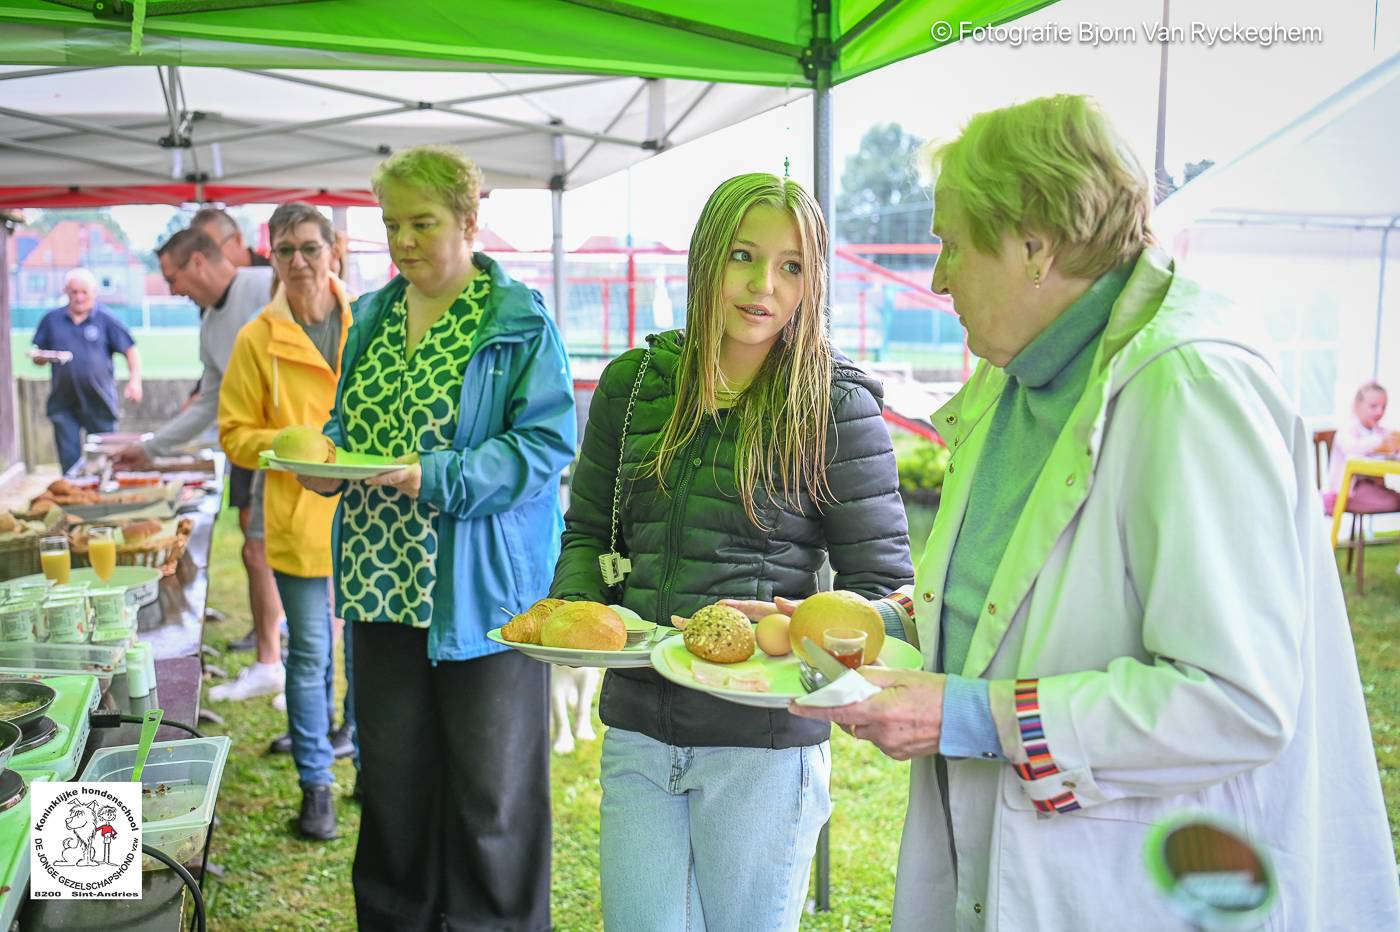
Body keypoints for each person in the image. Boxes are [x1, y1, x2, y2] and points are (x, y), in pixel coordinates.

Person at [776, 95, 1400, 929]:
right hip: (1016, 857)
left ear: (1036, 246)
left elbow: (1236, 699)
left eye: (953, 245)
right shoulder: (1022, 371)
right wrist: (854, 622)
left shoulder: (1193, 384)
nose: (939, 277)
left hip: (1139, 881)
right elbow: (1017, 600)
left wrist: (970, 715)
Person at [549, 172, 914, 930]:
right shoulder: (634, 384)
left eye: (791, 267)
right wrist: (582, 614)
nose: (763, 286)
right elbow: (588, 532)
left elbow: (883, 593)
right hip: (641, 731)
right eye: (743, 256)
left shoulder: (837, 406)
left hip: (764, 750)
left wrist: (795, 632)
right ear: (705, 258)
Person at [297, 145, 575, 930]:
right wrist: (324, 461)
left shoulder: (517, 320)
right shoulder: (376, 316)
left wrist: (443, 475)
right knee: (392, 784)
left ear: (469, 220)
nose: (404, 240)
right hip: (381, 585)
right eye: (392, 225)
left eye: (423, 222)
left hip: (484, 594)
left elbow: (545, 446)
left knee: (492, 796)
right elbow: (348, 427)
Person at [219, 201, 356, 840]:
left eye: (309, 247)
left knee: (368, 652)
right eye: (284, 250)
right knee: (309, 657)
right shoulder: (256, 338)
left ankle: (362, 755)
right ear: (269, 259)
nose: (298, 261)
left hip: (370, 518)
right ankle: (316, 785)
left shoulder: (374, 322)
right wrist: (292, 442)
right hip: (298, 518)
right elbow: (234, 434)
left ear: (335, 251)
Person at [114, 230, 288, 707]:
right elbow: (208, 401)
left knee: (307, 561)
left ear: (198, 262)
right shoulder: (211, 323)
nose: (171, 291)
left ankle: (306, 673)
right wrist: (151, 448)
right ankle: (271, 663)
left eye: (172, 278)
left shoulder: (268, 282)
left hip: (297, 444)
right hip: (251, 449)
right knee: (257, 556)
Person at [30, 268, 142, 472]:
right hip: (64, 403)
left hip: (99, 401)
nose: (79, 297)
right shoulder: (51, 320)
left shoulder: (107, 319)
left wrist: (135, 381)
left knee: (106, 461)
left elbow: (130, 350)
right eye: (74, 292)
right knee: (70, 462)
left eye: (84, 292)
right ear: (66, 291)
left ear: (94, 292)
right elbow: (37, 352)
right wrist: (40, 358)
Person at [1324, 380, 1400, 514]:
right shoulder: (1347, 430)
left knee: (1395, 499)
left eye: (1383, 407)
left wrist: (1395, 449)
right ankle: (1327, 501)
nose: (1379, 411)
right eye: (1373, 406)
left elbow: (1391, 452)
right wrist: (1380, 441)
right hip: (1347, 492)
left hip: (1371, 488)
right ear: (1357, 406)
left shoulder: (1380, 432)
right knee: (1396, 501)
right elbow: (1350, 447)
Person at [191, 206, 271, 268]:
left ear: (237, 239)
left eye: (214, 250)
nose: (209, 261)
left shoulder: (273, 275)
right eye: (204, 254)